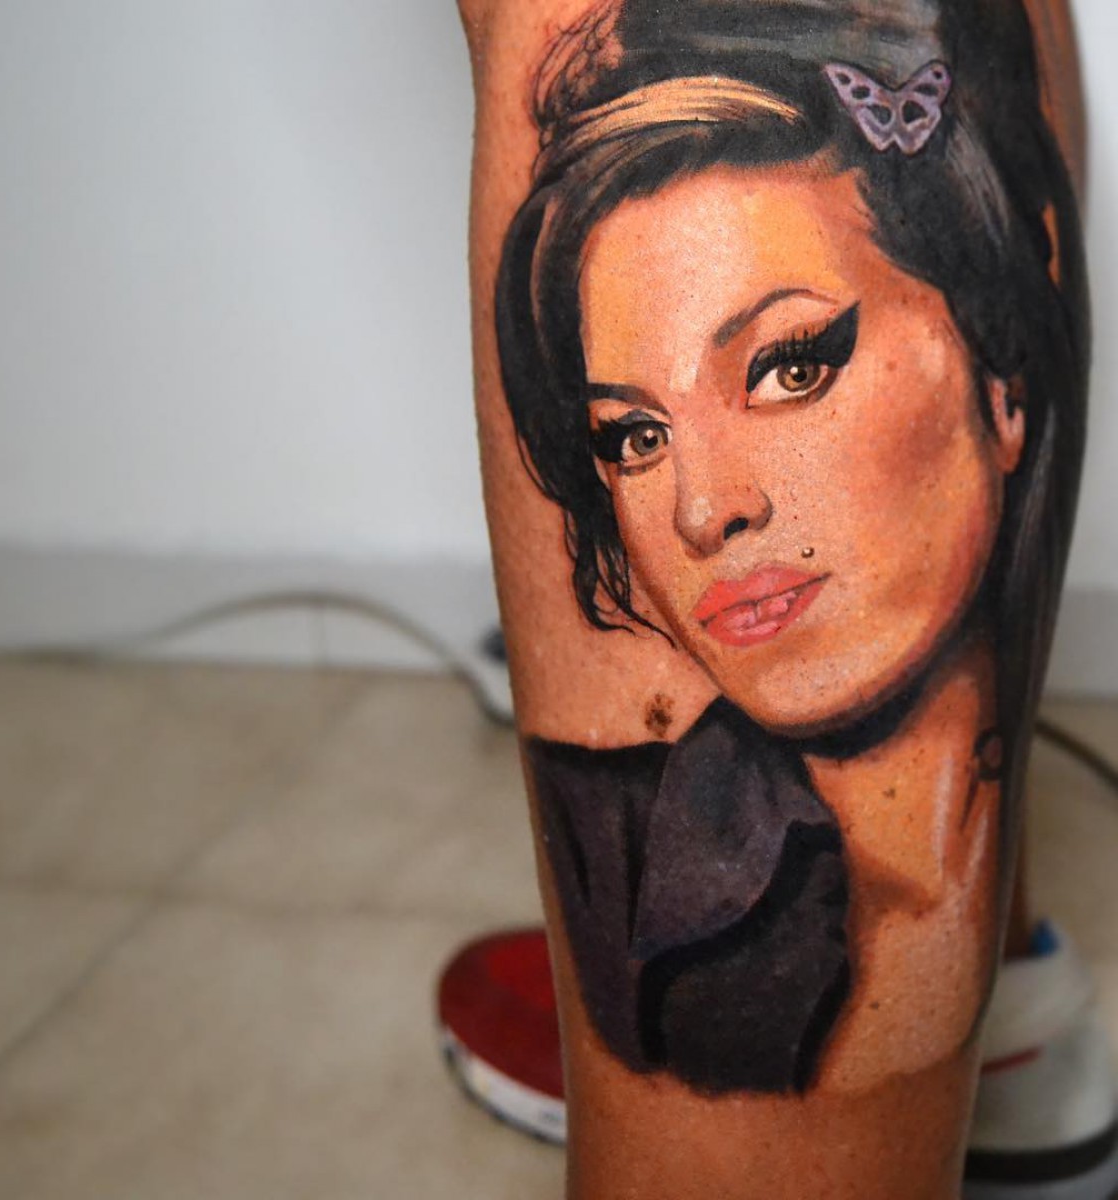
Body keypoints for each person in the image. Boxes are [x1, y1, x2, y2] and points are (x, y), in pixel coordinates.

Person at [445, 0, 1101, 1194]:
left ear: (1002, 368)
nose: (704, 513)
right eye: (632, 435)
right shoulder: (619, 852)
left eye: (791, 365)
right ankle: (1000, 1025)